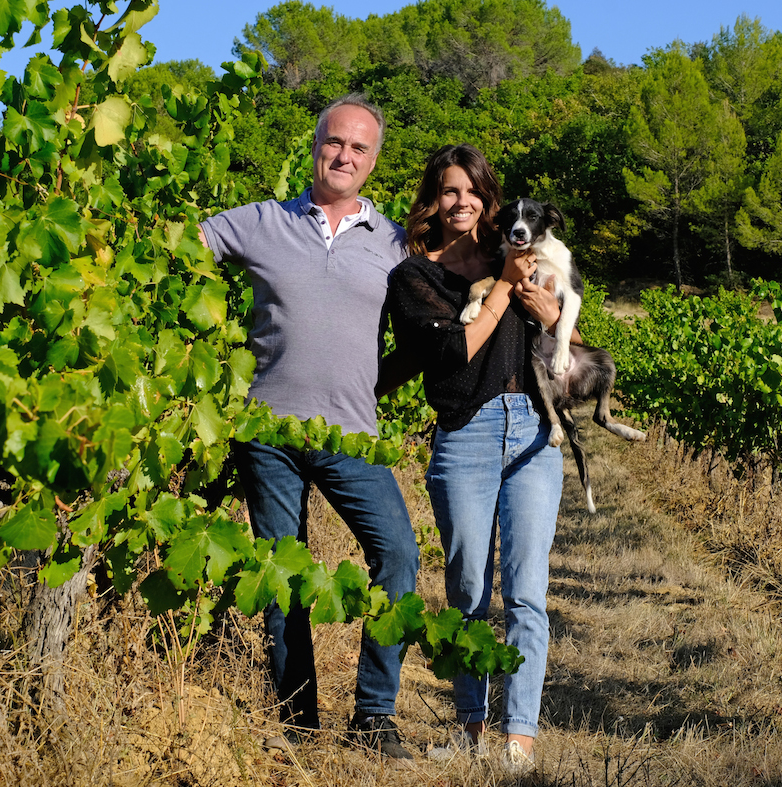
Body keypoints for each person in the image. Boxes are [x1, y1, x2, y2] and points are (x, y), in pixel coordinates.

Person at [198, 94, 419, 761]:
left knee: (400, 556)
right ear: (314, 145)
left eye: (359, 148)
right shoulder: (260, 222)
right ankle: (298, 726)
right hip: (265, 432)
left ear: (374, 161)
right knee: (280, 576)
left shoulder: (394, 241)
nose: (344, 155)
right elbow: (175, 254)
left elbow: (427, 326)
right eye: (334, 142)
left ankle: (373, 716)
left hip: (351, 433)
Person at [385, 143, 565, 774]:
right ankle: (470, 728)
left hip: (534, 430)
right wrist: (501, 295)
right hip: (465, 430)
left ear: (488, 198)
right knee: (467, 589)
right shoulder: (414, 276)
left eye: (473, 192)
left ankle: (519, 739)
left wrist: (549, 312)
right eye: (448, 191)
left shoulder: (510, 254)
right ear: (432, 199)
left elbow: (561, 321)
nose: (462, 203)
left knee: (527, 591)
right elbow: (450, 356)